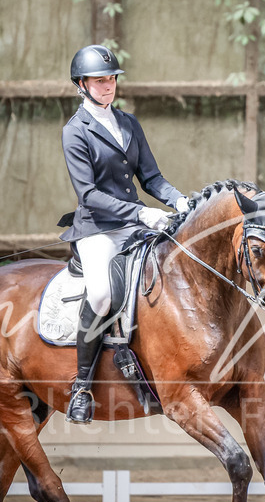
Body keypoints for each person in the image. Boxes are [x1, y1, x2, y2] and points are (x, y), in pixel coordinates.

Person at [59, 44, 191, 424]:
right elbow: (90, 195)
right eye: (100, 81)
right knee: (101, 294)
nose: (108, 86)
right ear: (81, 85)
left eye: (112, 79)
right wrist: (143, 212)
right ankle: (82, 387)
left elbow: (151, 177)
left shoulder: (129, 123)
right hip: (98, 230)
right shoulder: (75, 132)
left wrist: (179, 202)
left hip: (136, 227)